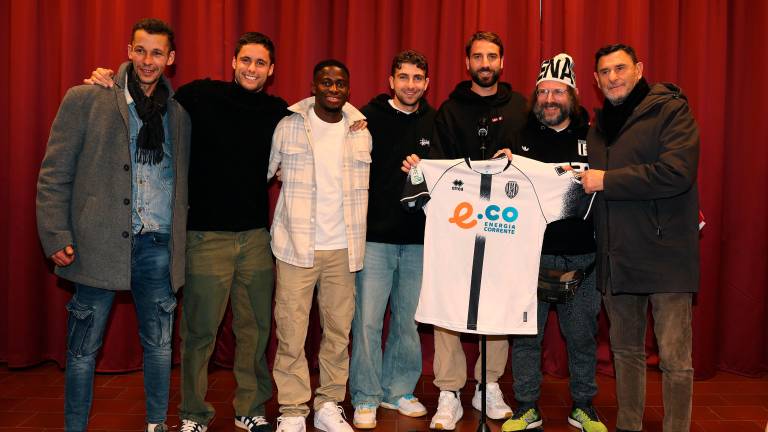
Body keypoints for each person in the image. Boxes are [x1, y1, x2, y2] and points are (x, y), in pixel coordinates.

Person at [85, 32, 290, 432]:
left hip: (255, 239)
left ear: (272, 70)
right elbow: (147, 93)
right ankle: (194, 414)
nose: (252, 69)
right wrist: (110, 79)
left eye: (261, 63)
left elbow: (319, 118)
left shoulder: (278, 112)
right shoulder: (200, 96)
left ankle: (251, 407)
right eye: (245, 60)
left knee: (256, 330)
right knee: (199, 332)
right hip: (204, 238)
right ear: (233, 62)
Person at [36, 18, 190, 432]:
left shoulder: (178, 115)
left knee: (159, 347)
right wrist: (55, 234)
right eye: (140, 50)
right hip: (96, 245)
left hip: (157, 246)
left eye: (157, 52)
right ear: (128, 51)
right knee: (83, 350)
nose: (147, 60)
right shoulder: (87, 98)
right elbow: (54, 174)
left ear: (170, 59)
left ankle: (156, 424)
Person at [403, 30, 527, 430]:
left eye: (492, 56)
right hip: (457, 225)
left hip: (505, 228)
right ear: (467, 62)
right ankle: (449, 390)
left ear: (502, 62)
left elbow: (533, 163)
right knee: (449, 302)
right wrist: (419, 169)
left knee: (499, 303)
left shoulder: (522, 108)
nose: (485, 63)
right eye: (478, 56)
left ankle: (487, 384)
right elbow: (436, 164)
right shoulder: (449, 109)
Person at [580, 44, 699, 432]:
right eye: (605, 72)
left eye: (620, 68)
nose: (613, 77)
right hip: (617, 257)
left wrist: (607, 181)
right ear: (595, 81)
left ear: (639, 69)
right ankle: (629, 426)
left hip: (666, 256)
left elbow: (677, 172)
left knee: (675, 359)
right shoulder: (596, 129)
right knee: (625, 353)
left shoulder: (670, 109)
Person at [502, 53, 607, 432]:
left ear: (572, 95)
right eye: (543, 91)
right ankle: (526, 406)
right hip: (530, 256)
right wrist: (502, 165)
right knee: (526, 335)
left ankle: (583, 405)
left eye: (557, 91)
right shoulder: (518, 137)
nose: (549, 98)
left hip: (583, 256)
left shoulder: (594, 136)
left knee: (581, 335)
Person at [267, 59, 372, 432]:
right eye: (326, 82)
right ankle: (293, 410)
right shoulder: (288, 127)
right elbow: (263, 173)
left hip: (343, 250)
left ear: (348, 88)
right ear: (313, 85)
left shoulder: (361, 131)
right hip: (296, 247)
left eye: (340, 83)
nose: (333, 88)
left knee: (338, 332)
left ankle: (328, 403)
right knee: (291, 330)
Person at [349, 50, 435, 430]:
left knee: (407, 321)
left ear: (426, 83)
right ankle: (365, 396)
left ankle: (397, 390)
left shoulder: (436, 122)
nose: (411, 85)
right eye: (404, 77)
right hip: (375, 238)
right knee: (367, 320)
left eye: (418, 78)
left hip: (419, 240)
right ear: (391, 81)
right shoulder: (367, 119)